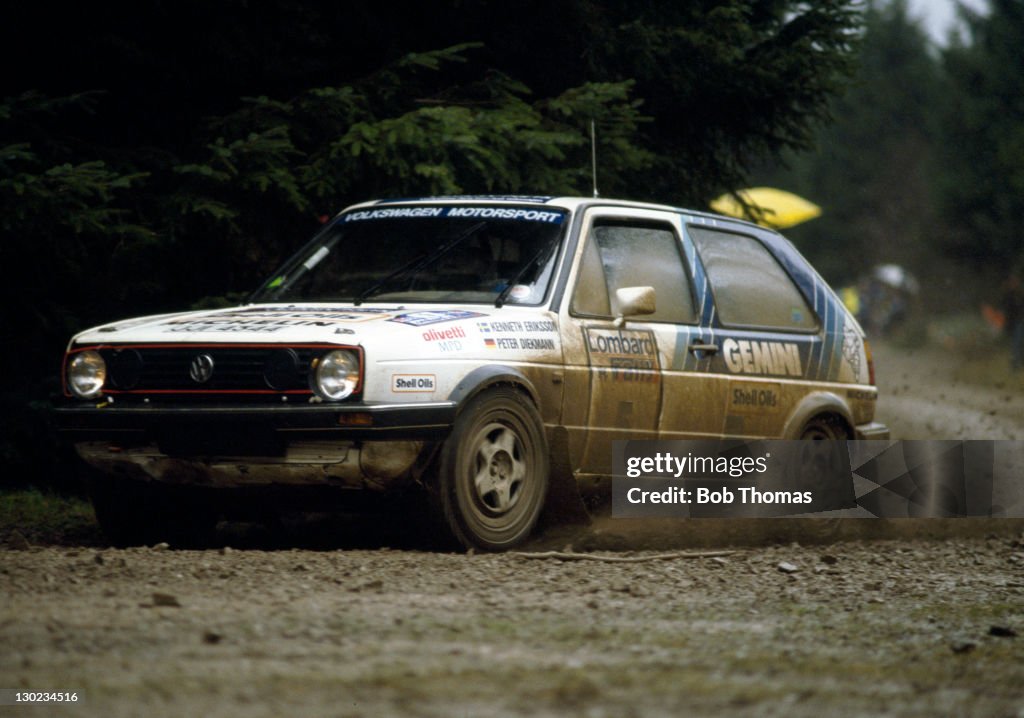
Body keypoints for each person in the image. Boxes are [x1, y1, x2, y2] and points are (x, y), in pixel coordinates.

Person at [1003, 270, 1024, 371]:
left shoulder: (1019, 294)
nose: (1012, 284)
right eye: (1011, 282)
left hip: (1019, 321)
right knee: (1016, 344)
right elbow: (1008, 310)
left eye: (1014, 282)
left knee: (1017, 344)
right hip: (1014, 322)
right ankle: (1015, 365)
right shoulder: (1009, 295)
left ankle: (1016, 365)